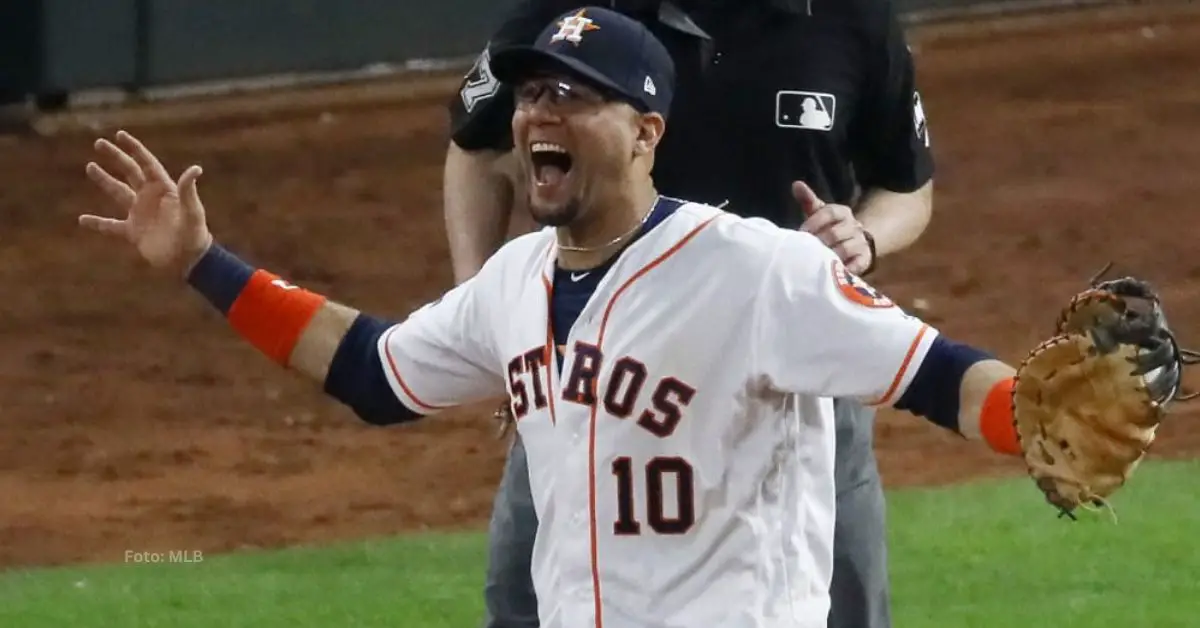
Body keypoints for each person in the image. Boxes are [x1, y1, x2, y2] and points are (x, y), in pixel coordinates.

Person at [78, 8, 1025, 627]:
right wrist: (206, 265)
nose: (540, 116)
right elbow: (370, 370)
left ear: (647, 133)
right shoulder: (516, 283)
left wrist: (1027, 416)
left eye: (573, 98)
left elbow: (937, 373)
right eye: (533, 96)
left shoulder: (761, 267)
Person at [444, 2, 947, 627]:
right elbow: (475, 149)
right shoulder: (577, 12)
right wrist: (488, 314)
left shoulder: (852, 17)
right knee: (526, 603)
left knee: (843, 605)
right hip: (600, 373)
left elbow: (906, 183)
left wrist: (865, 237)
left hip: (799, 384)